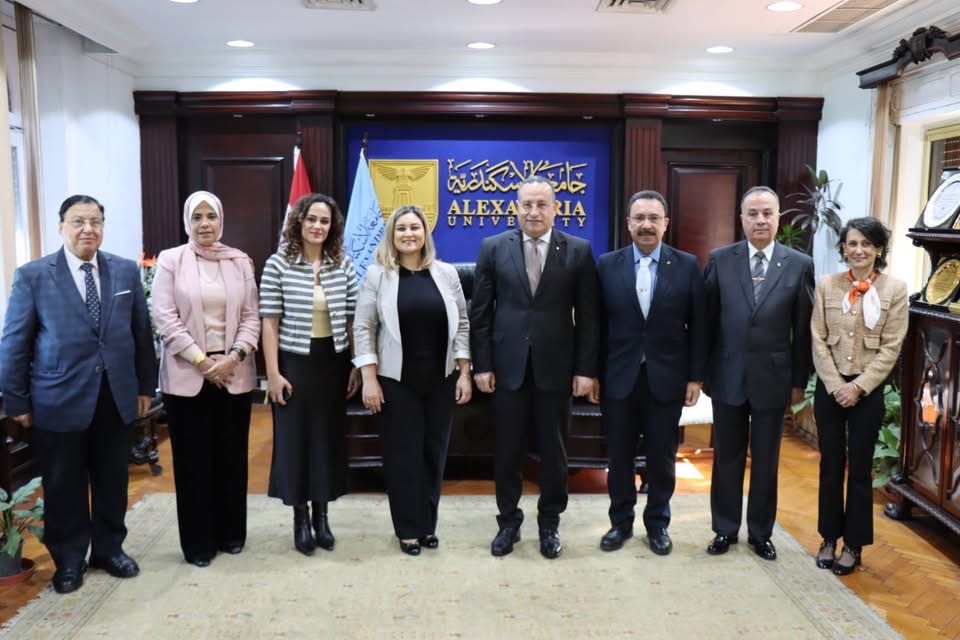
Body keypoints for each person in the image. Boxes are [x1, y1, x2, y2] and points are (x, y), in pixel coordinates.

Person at [0, 195, 156, 594]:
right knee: (63, 484)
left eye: (95, 221)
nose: (88, 229)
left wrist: (145, 386)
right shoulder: (33, 276)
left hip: (115, 396)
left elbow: (141, 334)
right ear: (61, 227)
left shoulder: (124, 271)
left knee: (112, 480)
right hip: (57, 399)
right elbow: (14, 343)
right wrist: (16, 401)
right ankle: (69, 560)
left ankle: (109, 549)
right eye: (78, 221)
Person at [470, 175, 599, 559]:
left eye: (542, 204)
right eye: (527, 204)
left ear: (555, 209)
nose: (534, 211)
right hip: (506, 367)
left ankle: (549, 524)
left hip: (557, 369)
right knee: (507, 450)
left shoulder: (578, 250)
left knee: (554, 452)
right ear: (516, 208)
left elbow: (589, 317)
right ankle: (508, 522)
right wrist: (482, 364)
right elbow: (480, 313)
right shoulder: (493, 247)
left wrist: (585, 370)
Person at [353, 205, 472, 556]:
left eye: (415, 227)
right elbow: (364, 327)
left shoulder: (447, 273)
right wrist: (368, 378)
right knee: (403, 456)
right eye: (401, 228)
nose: (409, 233)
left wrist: (464, 372)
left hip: (442, 379)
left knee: (434, 453)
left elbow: (463, 324)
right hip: (396, 381)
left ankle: (427, 525)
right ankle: (407, 529)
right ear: (392, 235)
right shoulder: (377, 275)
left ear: (425, 233)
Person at [703, 186, 814, 561]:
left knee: (766, 460)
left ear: (778, 218)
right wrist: (701, 374)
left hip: (774, 378)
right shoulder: (720, 260)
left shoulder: (798, 264)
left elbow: (803, 330)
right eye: (753, 213)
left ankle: (761, 533)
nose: (760, 220)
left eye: (767, 213)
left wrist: (799, 381)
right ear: (742, 219)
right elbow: (707, 323)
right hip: (727, 375)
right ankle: (724, 529)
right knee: (727, 458)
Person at [151, 191, 261, 567]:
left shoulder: (239, 261)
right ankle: (198, 544)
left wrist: (233, 358)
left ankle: (231, 534)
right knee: (193, 462)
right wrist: (201, 361)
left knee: (232, 458)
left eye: (210, 216)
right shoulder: (171, 261)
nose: (204, 224)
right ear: (187, 222)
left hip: (234, 373)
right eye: (196, 217)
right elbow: (165, 318)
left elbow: (252, 316)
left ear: (221, 219)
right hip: (187, 375)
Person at [596, 190, 706, 555]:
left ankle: (658, 524)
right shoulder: (607, 265)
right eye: (639, 218)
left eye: (654, 218)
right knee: (619, 457)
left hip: (667, 378)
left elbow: (699, 326)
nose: (646, 225)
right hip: (618, 377)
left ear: (665, 223)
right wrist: (592, 374)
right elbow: (595, 326)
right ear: (628, 224)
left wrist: (695, 378)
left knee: (662, 457)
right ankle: (620, 523)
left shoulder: (687, 265)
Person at [259, 193, 361, 555]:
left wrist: (355, 364)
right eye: (312, 219)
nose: (318, 226)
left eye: (325, 221)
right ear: (299, 221)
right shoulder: (278, 264)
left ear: (332, 227)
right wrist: (272, 374)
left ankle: (322, 516)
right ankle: (300, 518)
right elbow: (269, 323)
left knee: (327, 440)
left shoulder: (342, 264)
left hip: (333, 363)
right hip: (293, 364)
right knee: (295, 441)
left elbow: (352, 321)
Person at [810, 217, 907, 575]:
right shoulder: (827, 285)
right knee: (830, 465)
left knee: (861, 469)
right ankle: (828, 538)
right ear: (843, 248)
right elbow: (818, 339)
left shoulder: (895, 289)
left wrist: (858, 387)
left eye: (866, 243)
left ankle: (854, 544)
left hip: (868, 391)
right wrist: (837, 384)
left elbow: (891, 347)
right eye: (852, 243)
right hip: (831, 389)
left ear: (879, 249)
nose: (859, 250)